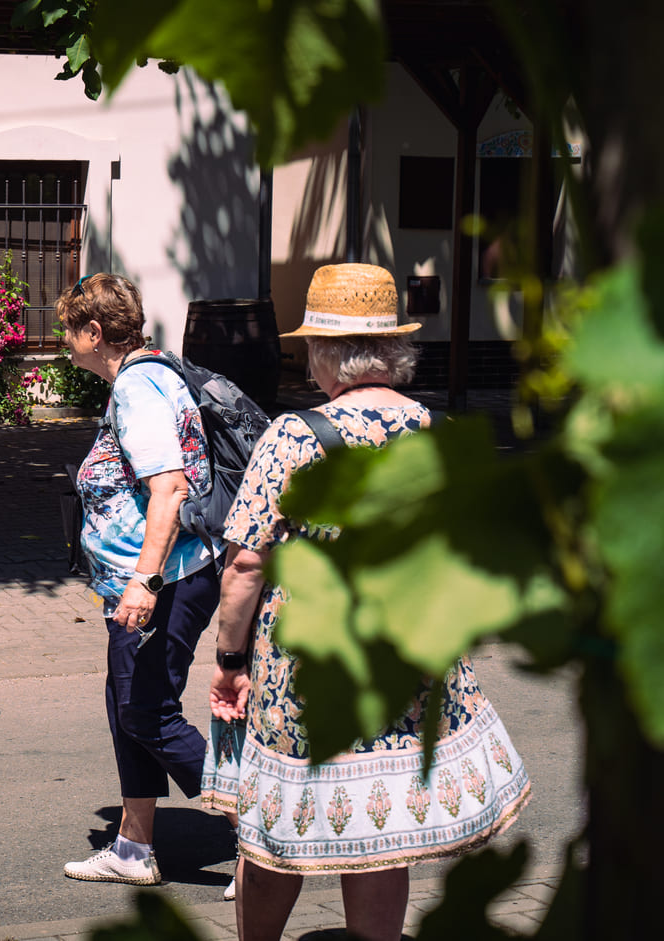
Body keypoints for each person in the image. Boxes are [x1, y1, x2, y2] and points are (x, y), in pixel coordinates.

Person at [202, 263, 532, 940]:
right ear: (393, 349)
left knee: (276, 827)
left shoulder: (294, 437)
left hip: (305, 664)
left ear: (325, 353)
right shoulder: (438, 430)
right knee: (378, 833)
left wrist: (230, 659)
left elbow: (245, 563)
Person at [56, 273, 222, 886]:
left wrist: (144, 582)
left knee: (147, 713)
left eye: (69, 329)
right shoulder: (148, 374)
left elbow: (169, 488)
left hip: (164, 579)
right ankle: (133, 848)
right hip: (153, 577)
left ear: (94, 332)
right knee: (125, 705)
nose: (64, 341)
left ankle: (266, 832)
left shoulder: (137, 387)